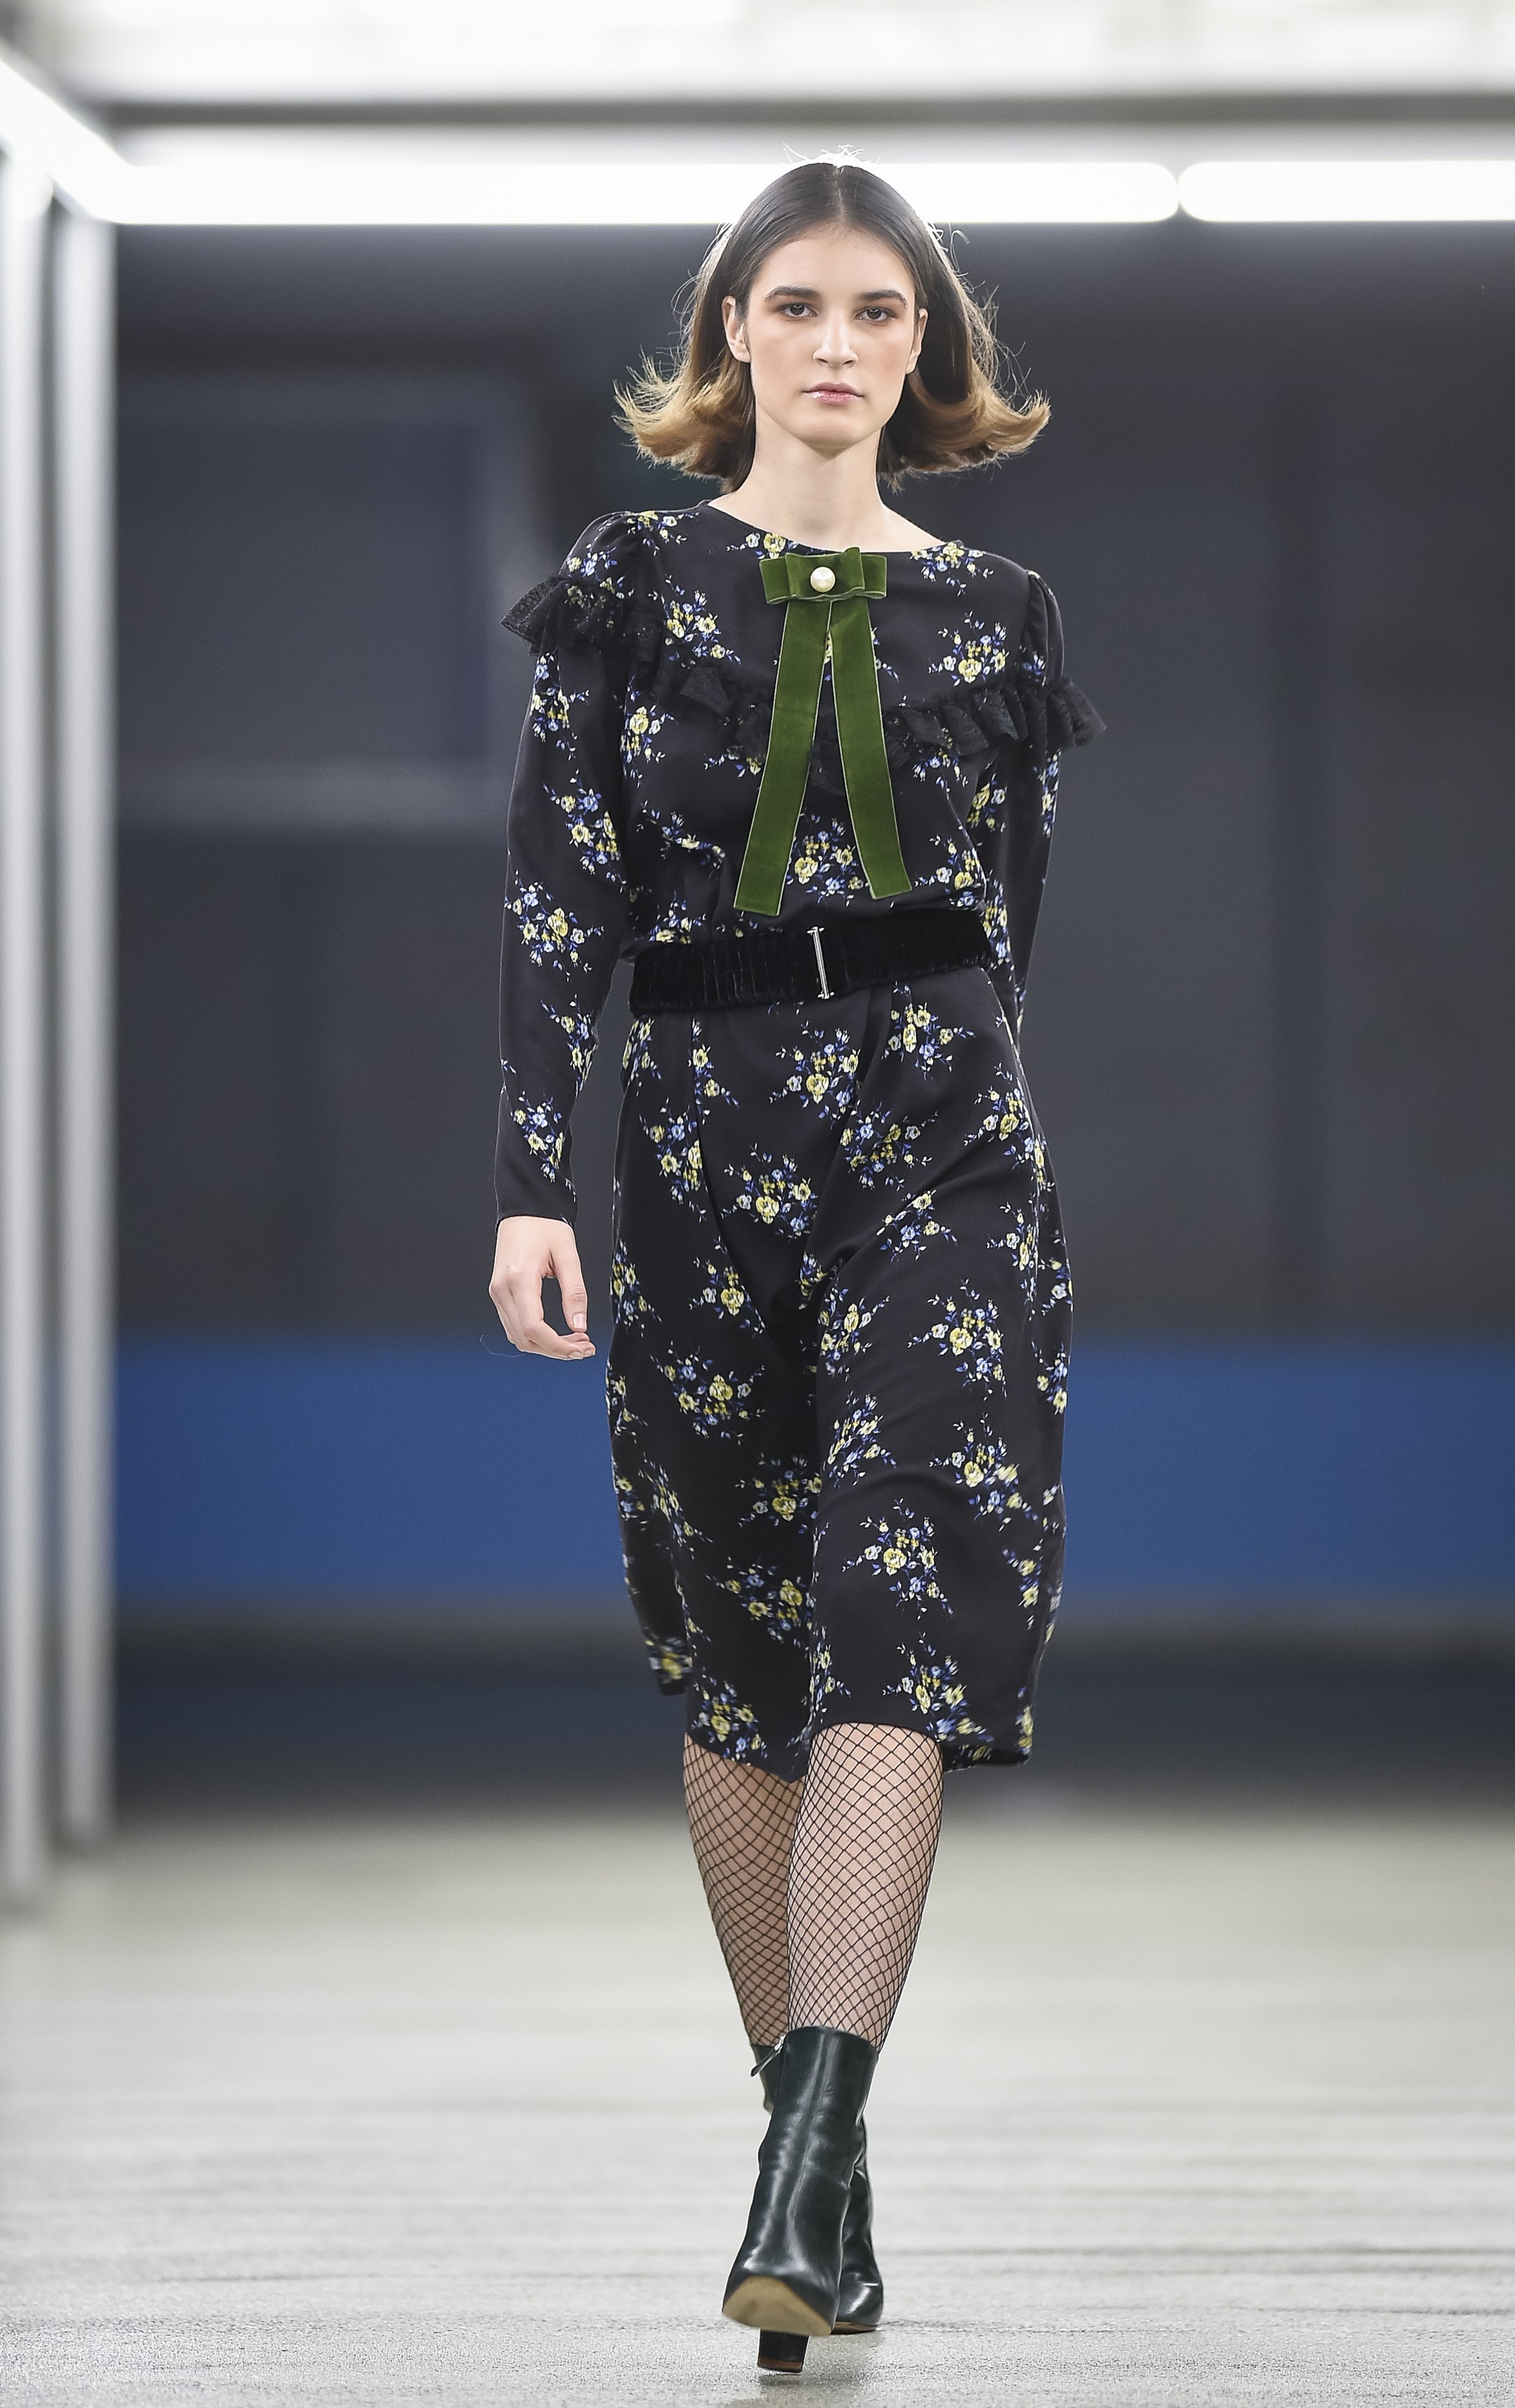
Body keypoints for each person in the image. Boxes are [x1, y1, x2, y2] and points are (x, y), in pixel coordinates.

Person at [488, 159, 1099, 2373]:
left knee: (895, 1609)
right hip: (695, 1144)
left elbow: (1009, 917)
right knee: (740, 1656)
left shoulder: (998, 617)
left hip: (940, 1141)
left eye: (880, 310)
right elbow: (559, 893)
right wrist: (533, 1179)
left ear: (926, 349)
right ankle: (812, 2173)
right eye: (800, 304)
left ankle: (802, 2161)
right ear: (732, 332)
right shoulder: (630, 583)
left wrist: (950, 1110)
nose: (840, 343)